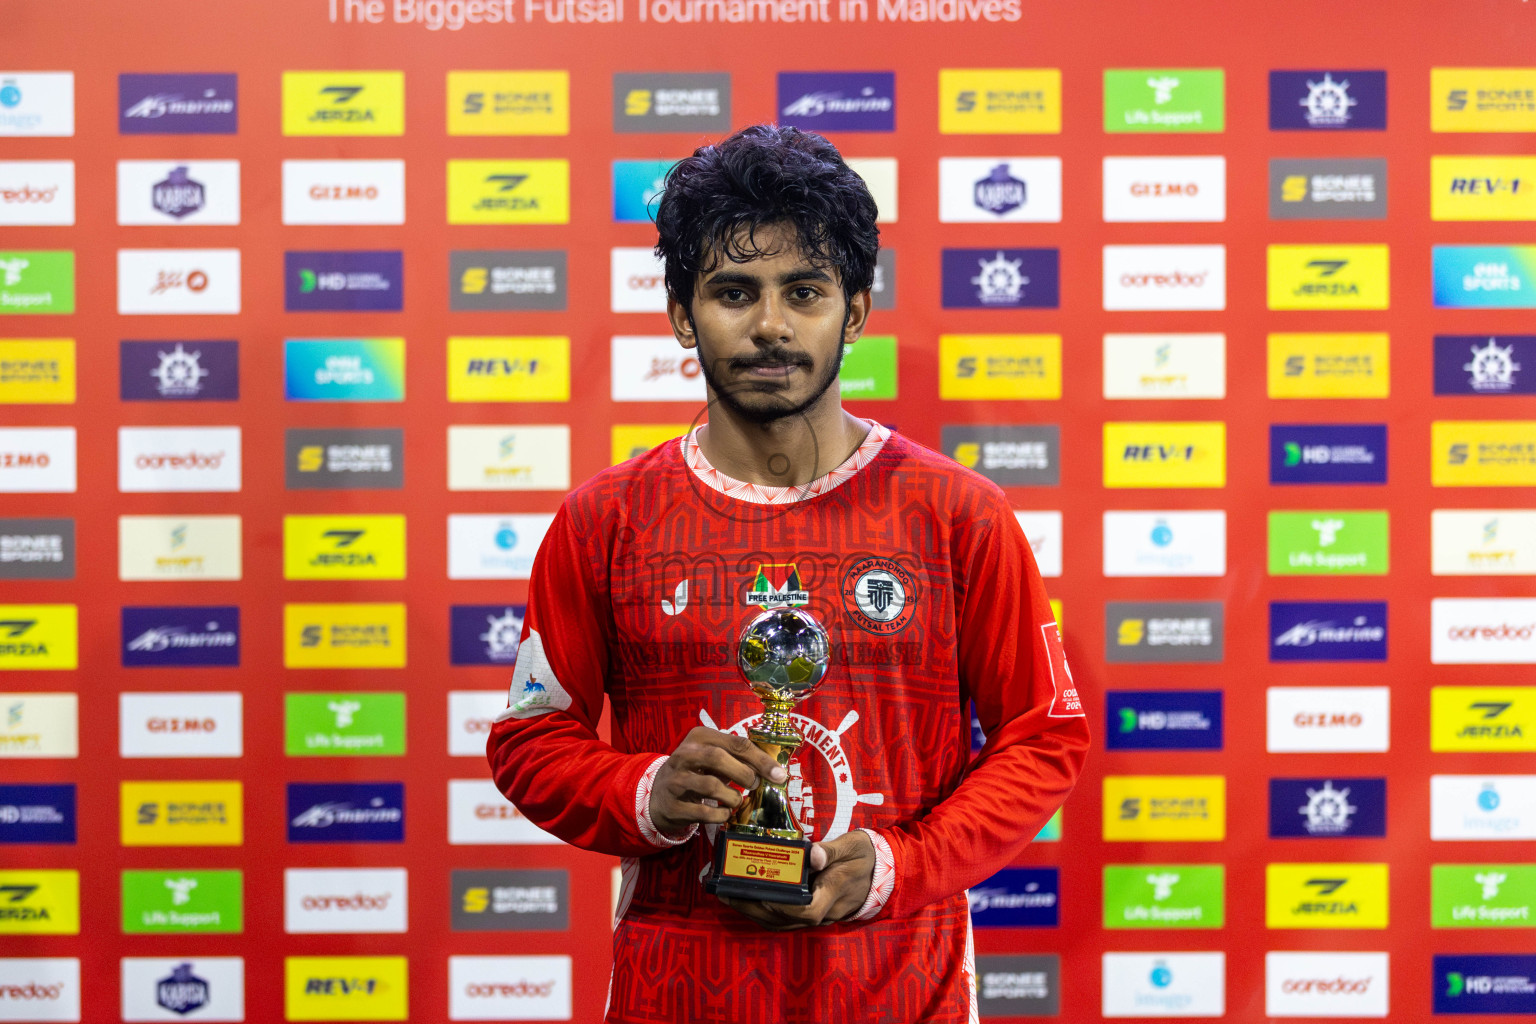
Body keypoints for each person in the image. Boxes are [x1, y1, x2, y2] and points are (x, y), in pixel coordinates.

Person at [485, 124, 1089, 1023]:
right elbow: (531, 742)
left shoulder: (960, 515)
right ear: (682, 315)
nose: (770, 325)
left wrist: (896, 865)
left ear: (855, 309)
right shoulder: (602, 521)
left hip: (901, 994)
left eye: (803, 292)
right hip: (676, 997)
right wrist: (647, 791)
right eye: (734, 293)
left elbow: (1043, 740)